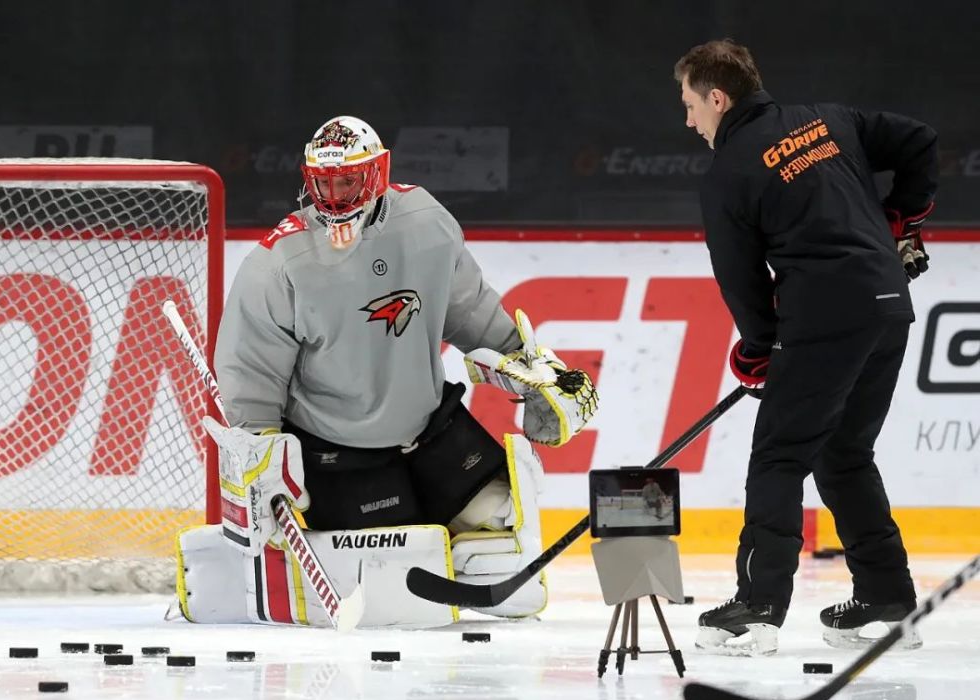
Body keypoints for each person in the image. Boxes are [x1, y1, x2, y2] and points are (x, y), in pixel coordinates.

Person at [188, 115, 598, 626]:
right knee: (401, 563)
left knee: (502, 524)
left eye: (347, 180)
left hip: (432, 431)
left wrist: (534, 368)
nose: (334, 196)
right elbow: (250, 373)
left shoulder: (425, 221)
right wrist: (261, 451)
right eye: (323, 182)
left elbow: (470, 311)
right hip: (341, 456)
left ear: (378, 173)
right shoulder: (278, 265)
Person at [673, 40, 938, 654]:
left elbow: (740, 280)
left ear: (718, 97)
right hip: (888, 306)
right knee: (843, 455)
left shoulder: (729, 172)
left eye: (690, 105)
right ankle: (886, 599)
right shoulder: (829, 119)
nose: (688, 120)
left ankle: (757, 607)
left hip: (825, 317)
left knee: (778, 456)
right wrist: (905, 220)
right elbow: (920, 139)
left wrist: (759, 346)